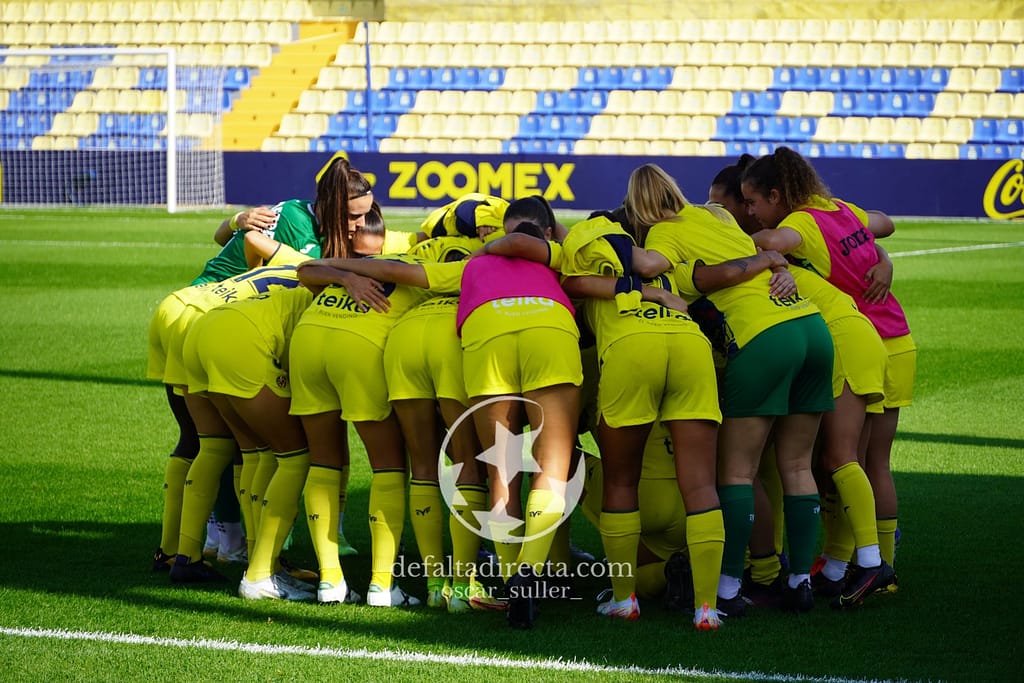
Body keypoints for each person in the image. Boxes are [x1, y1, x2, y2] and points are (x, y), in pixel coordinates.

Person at [625, 163, 834, 616]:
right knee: (798, 465)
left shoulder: (661, 235)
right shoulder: (717, 215)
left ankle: (726, 587)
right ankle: (799, 582)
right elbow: (752, 250)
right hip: (810, 326)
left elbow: (653, 267)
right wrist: (771, 260)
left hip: (760, 337)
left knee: (738, 471)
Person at [164, 163, 376, 583]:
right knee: (257, 444)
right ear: (332, 207)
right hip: (207, 315)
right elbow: (314, 271)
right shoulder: (303, 229)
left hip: (201, 311)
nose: (359, 225)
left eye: (365, 216)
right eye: (353, 217)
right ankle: (238, 544)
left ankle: (191, 547)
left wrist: (235, 221)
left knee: (211, 439)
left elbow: (229, 238)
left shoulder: (298, 212)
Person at [742, 147, 909, 605]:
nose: (753, 214)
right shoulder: (838, 209)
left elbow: (769, 243)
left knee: (842, 459)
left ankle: (874, 565)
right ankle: (840, 566)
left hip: (857, 338)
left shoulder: (798, 224)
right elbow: (883, 222)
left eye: (755, 204)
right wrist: (883, 258)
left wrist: (718, 237)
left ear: (778, 196)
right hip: (887, 335)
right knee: (851, 460)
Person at [289, 247, 464, 607]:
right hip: (360, 346)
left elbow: (305, 270)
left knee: (323, 463)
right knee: (389, 467)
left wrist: (346, 276)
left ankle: (330, 580)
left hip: (307, 342)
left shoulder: (378, 260)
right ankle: (382, 587)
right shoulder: (436, 274)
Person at [455, 216, 584, 629]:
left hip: (486, 329)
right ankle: (530, 572)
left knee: (502, 468)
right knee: (553, 469)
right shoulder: (558, 260)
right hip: (549, 328)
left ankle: (514, 583)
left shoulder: (473, 263)